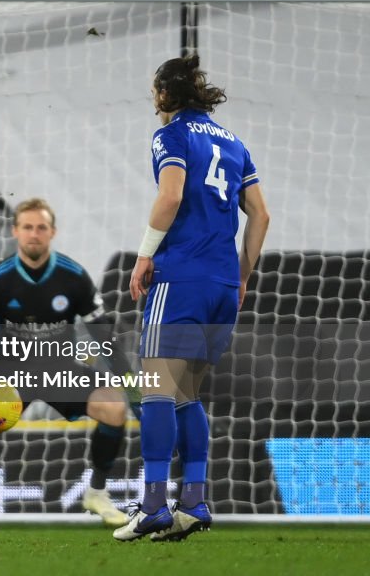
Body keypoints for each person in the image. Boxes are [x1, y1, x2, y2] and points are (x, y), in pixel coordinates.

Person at [114, 55, 269, 542]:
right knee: (186, 394)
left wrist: (143, 256)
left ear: (164, 94)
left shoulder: (170, 135)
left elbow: (171, 195)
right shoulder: (234, 141)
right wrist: (242, 275)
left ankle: (155, 504)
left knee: (156, 388)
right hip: (223, 285)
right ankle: (195, 502)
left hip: (181, 279)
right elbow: (261, 215)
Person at [0, 198, 138, 527]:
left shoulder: (73, 277)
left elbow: (105, 338)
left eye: (41, 228)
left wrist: (132, 388)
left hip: (60, 371)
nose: (34, 234)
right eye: (28, 227)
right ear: (15, 231)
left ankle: (97, 493)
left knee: (114, 407)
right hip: (9, 375)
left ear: (52, 232)